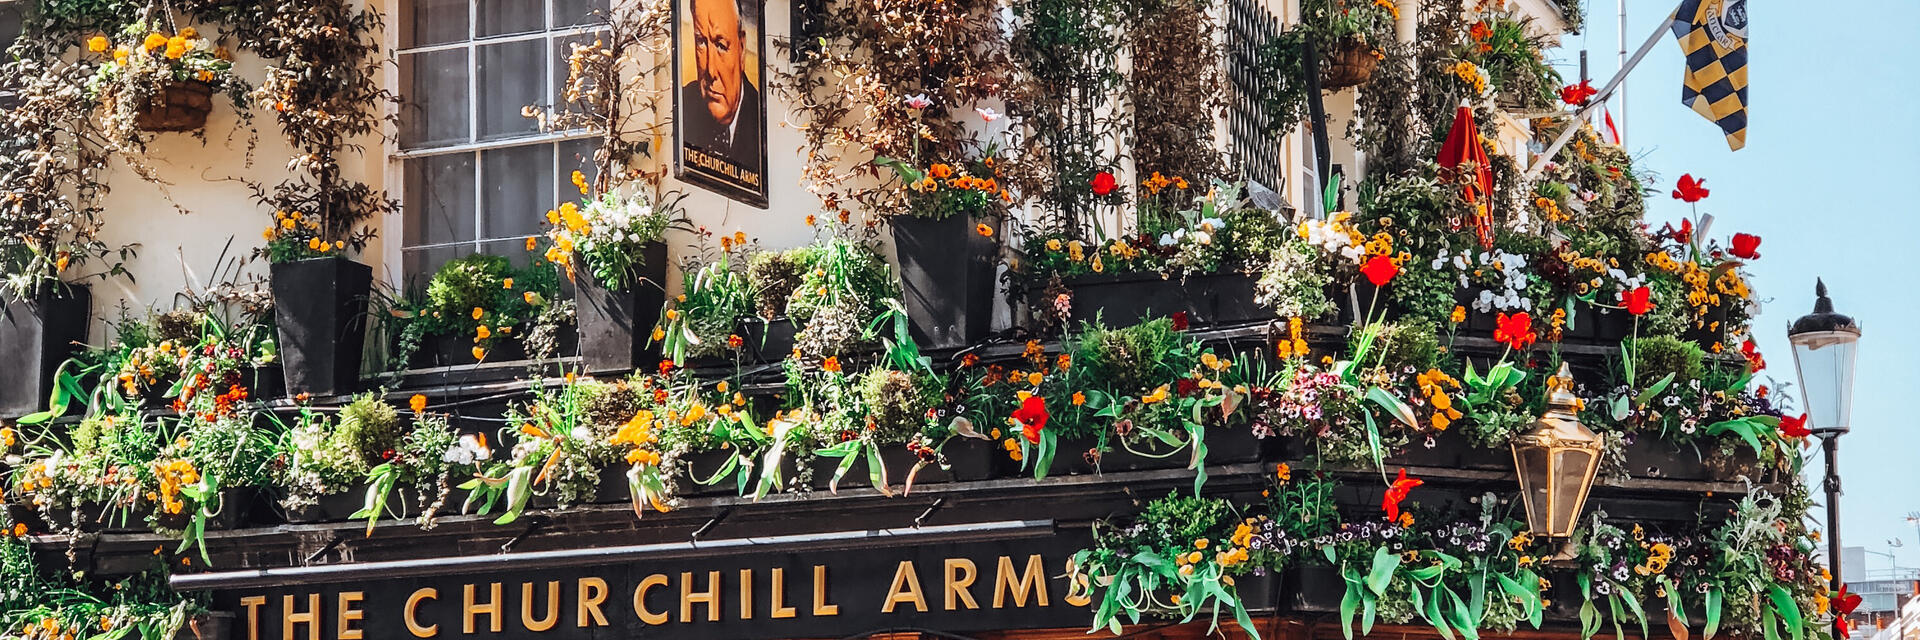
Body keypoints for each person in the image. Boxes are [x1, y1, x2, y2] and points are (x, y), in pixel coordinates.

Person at [680, 0, 761, 161]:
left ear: (741, 48)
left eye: (721, 46)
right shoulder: (684, 104)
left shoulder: (760, 120)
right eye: (701, 42)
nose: (711, 70)